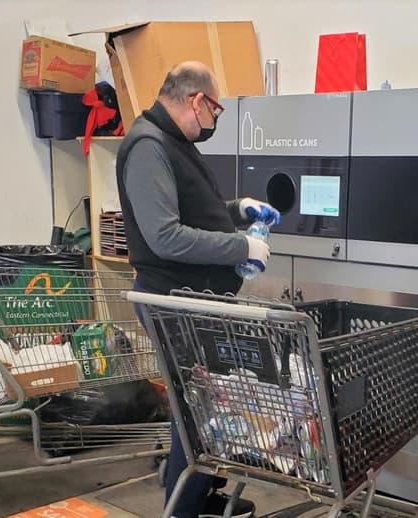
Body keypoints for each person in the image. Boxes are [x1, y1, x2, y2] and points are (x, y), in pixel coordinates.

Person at [116, 61, 279, 518]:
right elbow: (164, 235)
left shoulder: (174, 143)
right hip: (172, 304)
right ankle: (182, 508)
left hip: (195, 303)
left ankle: (200, 497)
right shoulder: (148, 146)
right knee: (194, 417)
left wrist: (237, 210)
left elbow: (192, 211)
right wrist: (237, 247)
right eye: (216, 110)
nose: (214, 121)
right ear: (197, 101)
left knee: (203, 412)